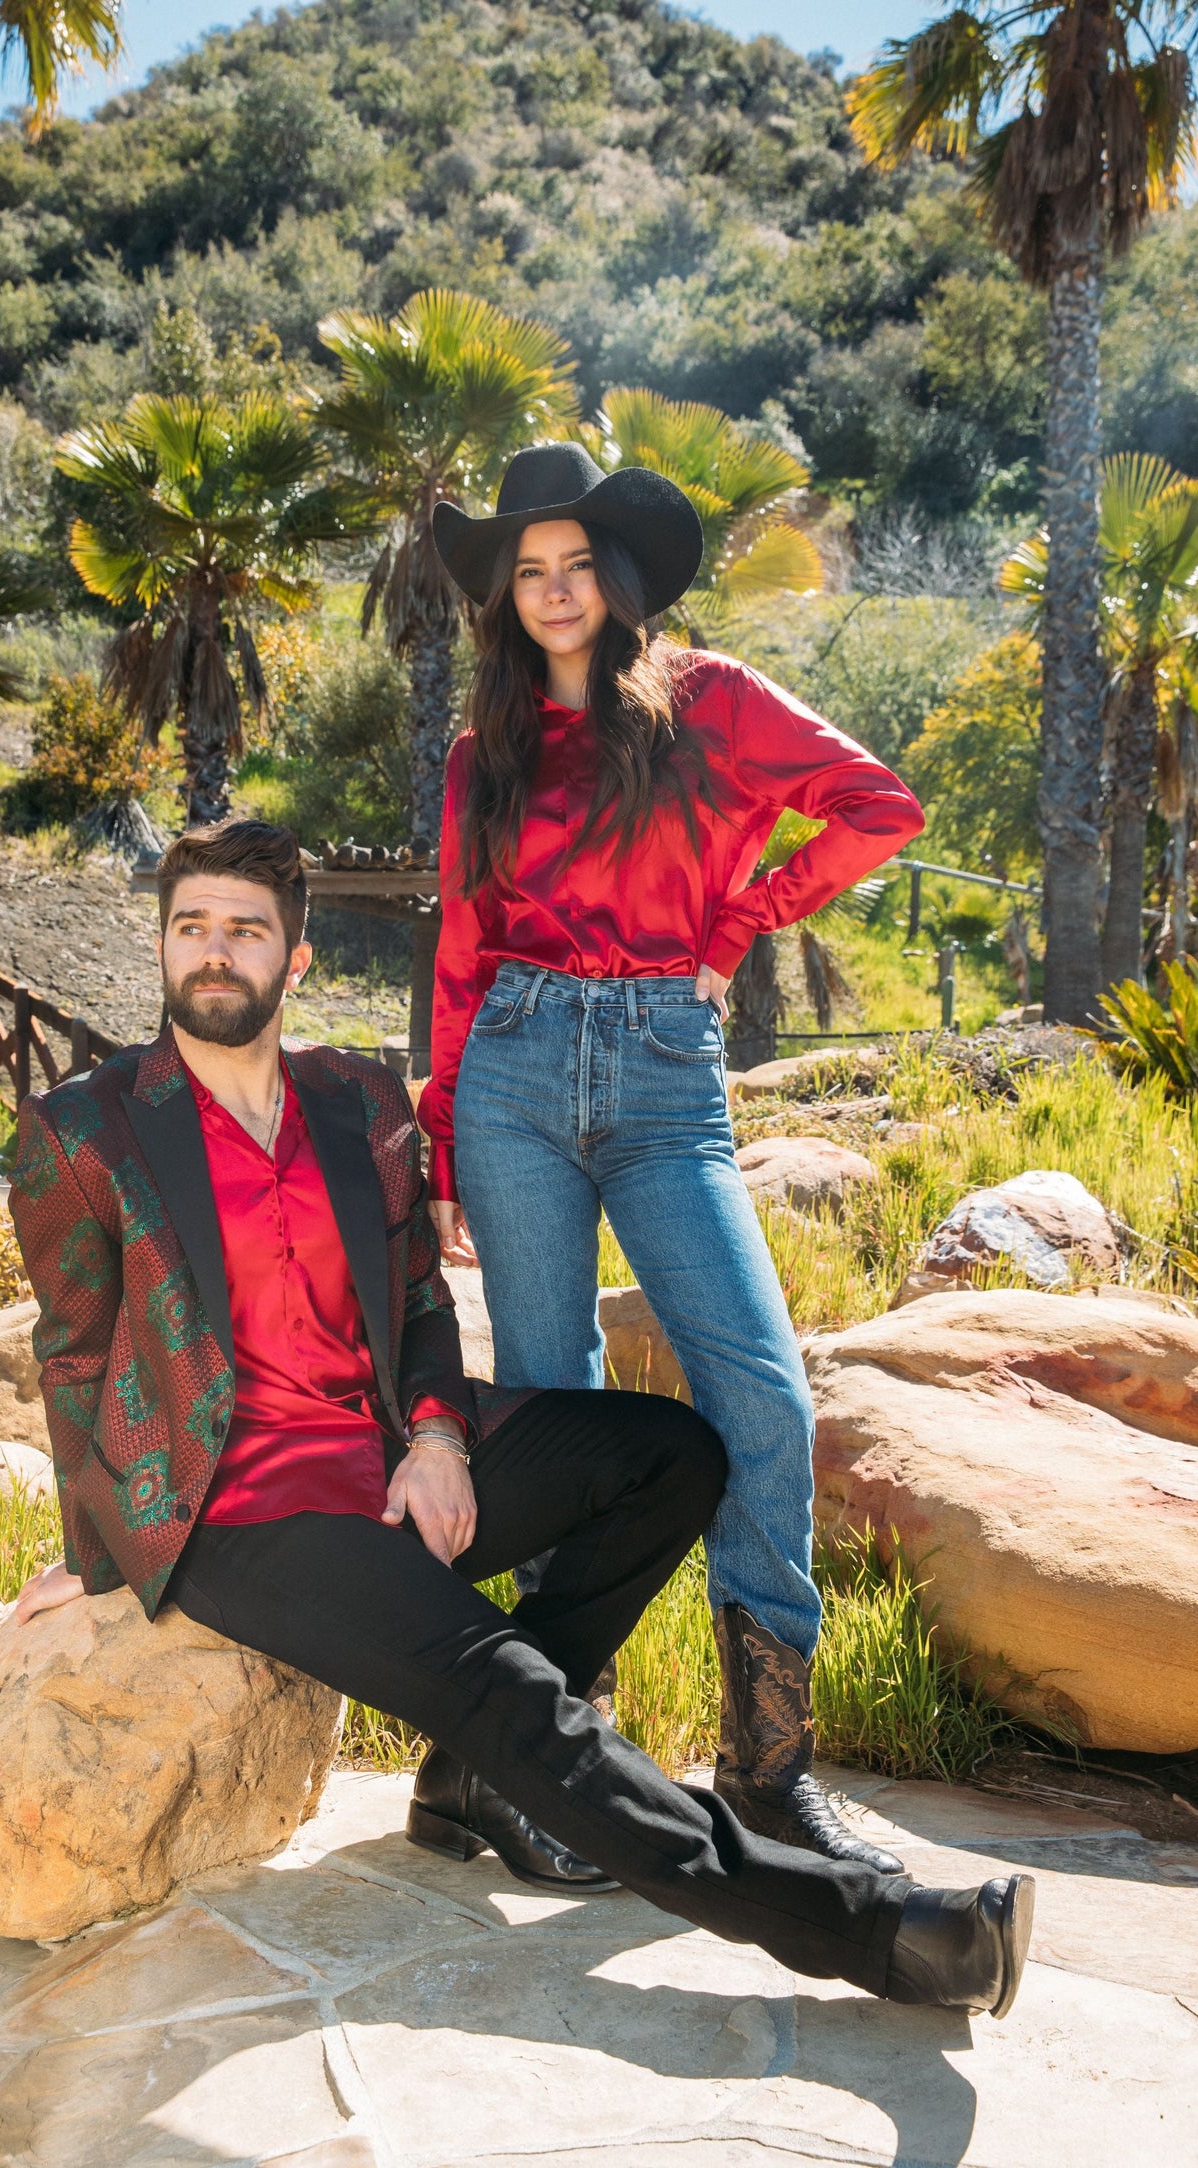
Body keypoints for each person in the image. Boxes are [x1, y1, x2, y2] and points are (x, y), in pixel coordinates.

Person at [8, 814, 1032, 2021]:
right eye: (192, 928)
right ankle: (882, 1935)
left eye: (245, 928)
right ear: (164, 947)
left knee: (669, 1454)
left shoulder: (355, 1096)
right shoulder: (85, 1128)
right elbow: (74, 1354)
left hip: (385, 1455)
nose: (214, 952)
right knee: (510, 1689)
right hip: (248, 1512)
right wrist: (100, 1553)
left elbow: (420, 1300)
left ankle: (469, 1776)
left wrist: (437, 1435)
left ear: (292, 956)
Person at [420, 442, 927, 1873]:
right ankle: (525, 1765)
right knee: (553, 1412)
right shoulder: (484, 755)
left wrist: (734, 925)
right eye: (529, 571)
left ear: (621, 576)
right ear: (503, 596)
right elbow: (461, 949)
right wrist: (448, 1130)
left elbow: (881, 808)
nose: (556, 591)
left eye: (577, 563)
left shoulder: (711, 705)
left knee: (760, 1394)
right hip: (513, 1070)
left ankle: (764, 1770)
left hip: (661, 1081)